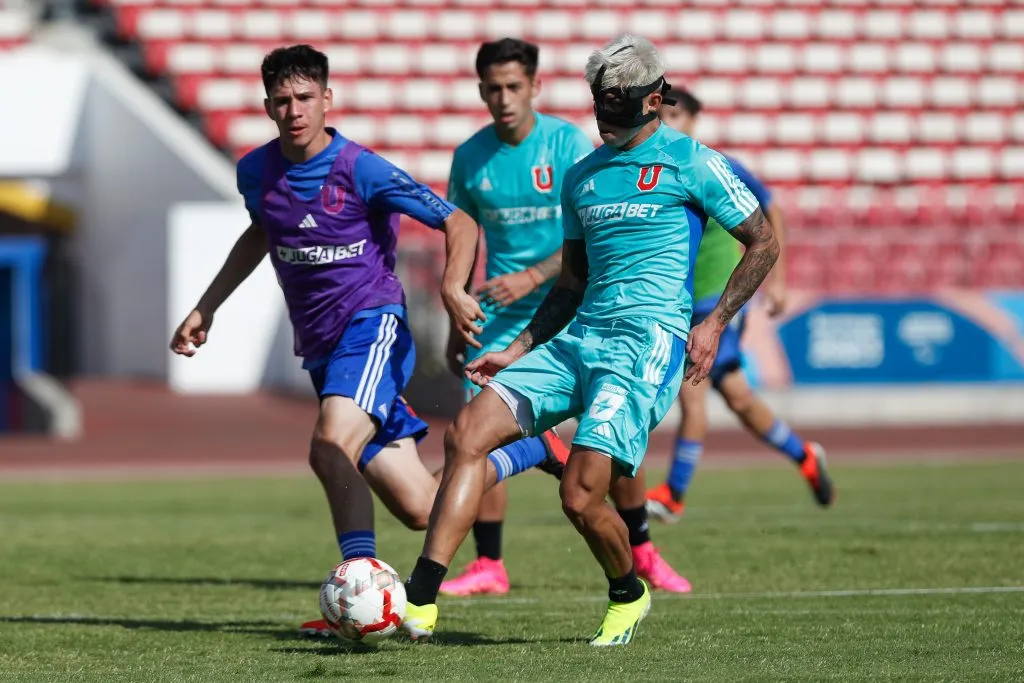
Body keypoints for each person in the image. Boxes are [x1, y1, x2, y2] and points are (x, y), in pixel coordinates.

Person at [167, 44, 563, 638]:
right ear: (268, 106)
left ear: (327, 99)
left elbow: (458, 220)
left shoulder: (361, 168)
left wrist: (454, 288)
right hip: (323, 349)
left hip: (372, 327)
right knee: (423, 509)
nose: (294, 109)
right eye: (282, 100)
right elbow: (262, 232)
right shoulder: (255, 170)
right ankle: (535, 450)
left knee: (328, 444)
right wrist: (207, 305)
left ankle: (357, 587)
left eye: (305, 97)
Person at [400, 34, 780, 646]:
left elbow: (763, 241)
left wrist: (712, 325)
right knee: (467, 431)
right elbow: (571, 284)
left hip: (645, 348)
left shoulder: (695, 162)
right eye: (599, 101)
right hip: (580, 339)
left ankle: (628, 591)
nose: (604, 115)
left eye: (618, 104)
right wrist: (518, 349)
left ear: (655, 100)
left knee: (579, 498)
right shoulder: (582, 177)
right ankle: (419, 600)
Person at [439, 38, 690, 599]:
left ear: (535, 87)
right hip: (501, 318)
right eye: (493, 88)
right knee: (474, 433)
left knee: (612, 437)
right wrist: (455, 302)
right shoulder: (469, 157)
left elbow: (589, 241)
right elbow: (463, 234)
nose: (503, 98)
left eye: (513, 87)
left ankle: (642, 548)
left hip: (576, 307)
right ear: (481, 91)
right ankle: (489, 564)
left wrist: (532, 278)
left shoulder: (568, 145)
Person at [645, 87, 835, 524]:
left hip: (717, 300)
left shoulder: (715, 165)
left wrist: (779, 281)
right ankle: (804, 455)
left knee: (690, 392)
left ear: (693, 121)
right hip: (677, 300)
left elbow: (772, 212)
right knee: (739, 399)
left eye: (677, 118)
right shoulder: (653, 171)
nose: (669, 125)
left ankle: (674, 494)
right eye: (664, 118)